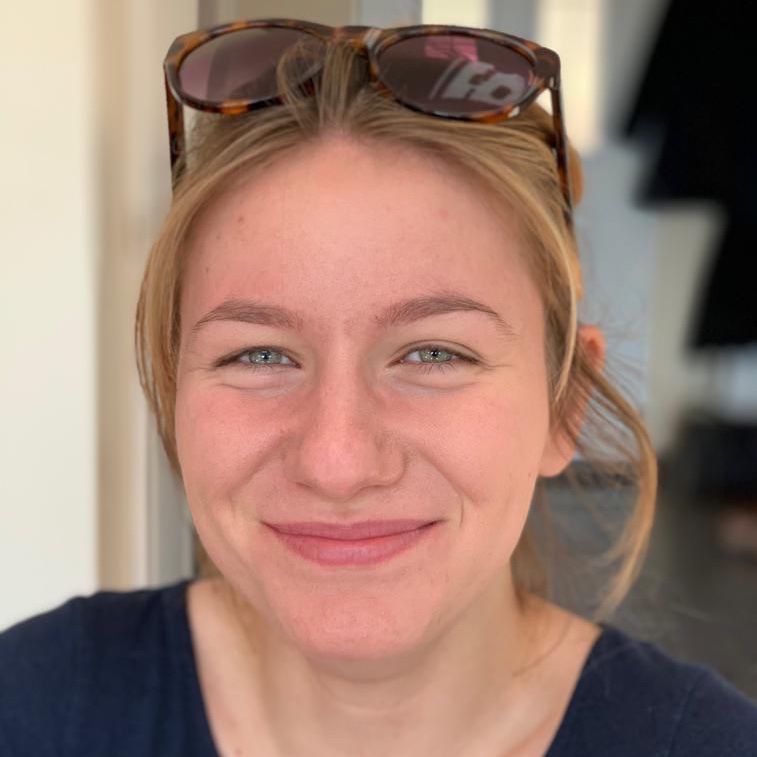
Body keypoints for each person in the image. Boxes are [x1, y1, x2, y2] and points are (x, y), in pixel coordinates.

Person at [1, 19, 756, 757]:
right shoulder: (29, 707)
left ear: (566, 402)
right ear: (174, 392)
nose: (337, 462)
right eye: (260, 355)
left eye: (433, 352)